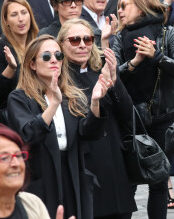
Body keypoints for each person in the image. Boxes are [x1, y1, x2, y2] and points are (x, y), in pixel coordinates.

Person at [7, 35, 111, 219]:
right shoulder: (19, 97)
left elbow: (89, 133)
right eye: (46, 56)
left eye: (58, 55)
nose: (54, 60)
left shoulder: (72, 95)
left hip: (72, 176)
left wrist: (95, 102)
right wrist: (53, 103)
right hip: (42, 176)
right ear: (32, 64)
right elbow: (29, 134)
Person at [58, 19, 137, 219]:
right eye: (75, 40)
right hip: (85, 164)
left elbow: (128, 114)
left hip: (114, 163)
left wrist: (114, 80)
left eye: (88, 39)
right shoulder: (58, 79)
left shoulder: (99, 70)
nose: (83, 44)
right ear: (61, 44)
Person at [112, 0, 174, 219]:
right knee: (128, 181)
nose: (119, 11)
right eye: (119, 6)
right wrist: (135, 62)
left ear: (140, 6)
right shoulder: (119, 37)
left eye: (124, 6)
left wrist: (156, 56)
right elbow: (113, 76)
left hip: (161, 117)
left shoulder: (167, 33)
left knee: (158, 182)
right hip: (129, 119)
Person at [0, 0, 38, 124]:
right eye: (14, 15)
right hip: (15, 118)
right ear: (6, 21)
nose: (21, 19)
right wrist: (11, 68)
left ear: (30, 16)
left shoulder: (41, 43)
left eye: (24, 12)